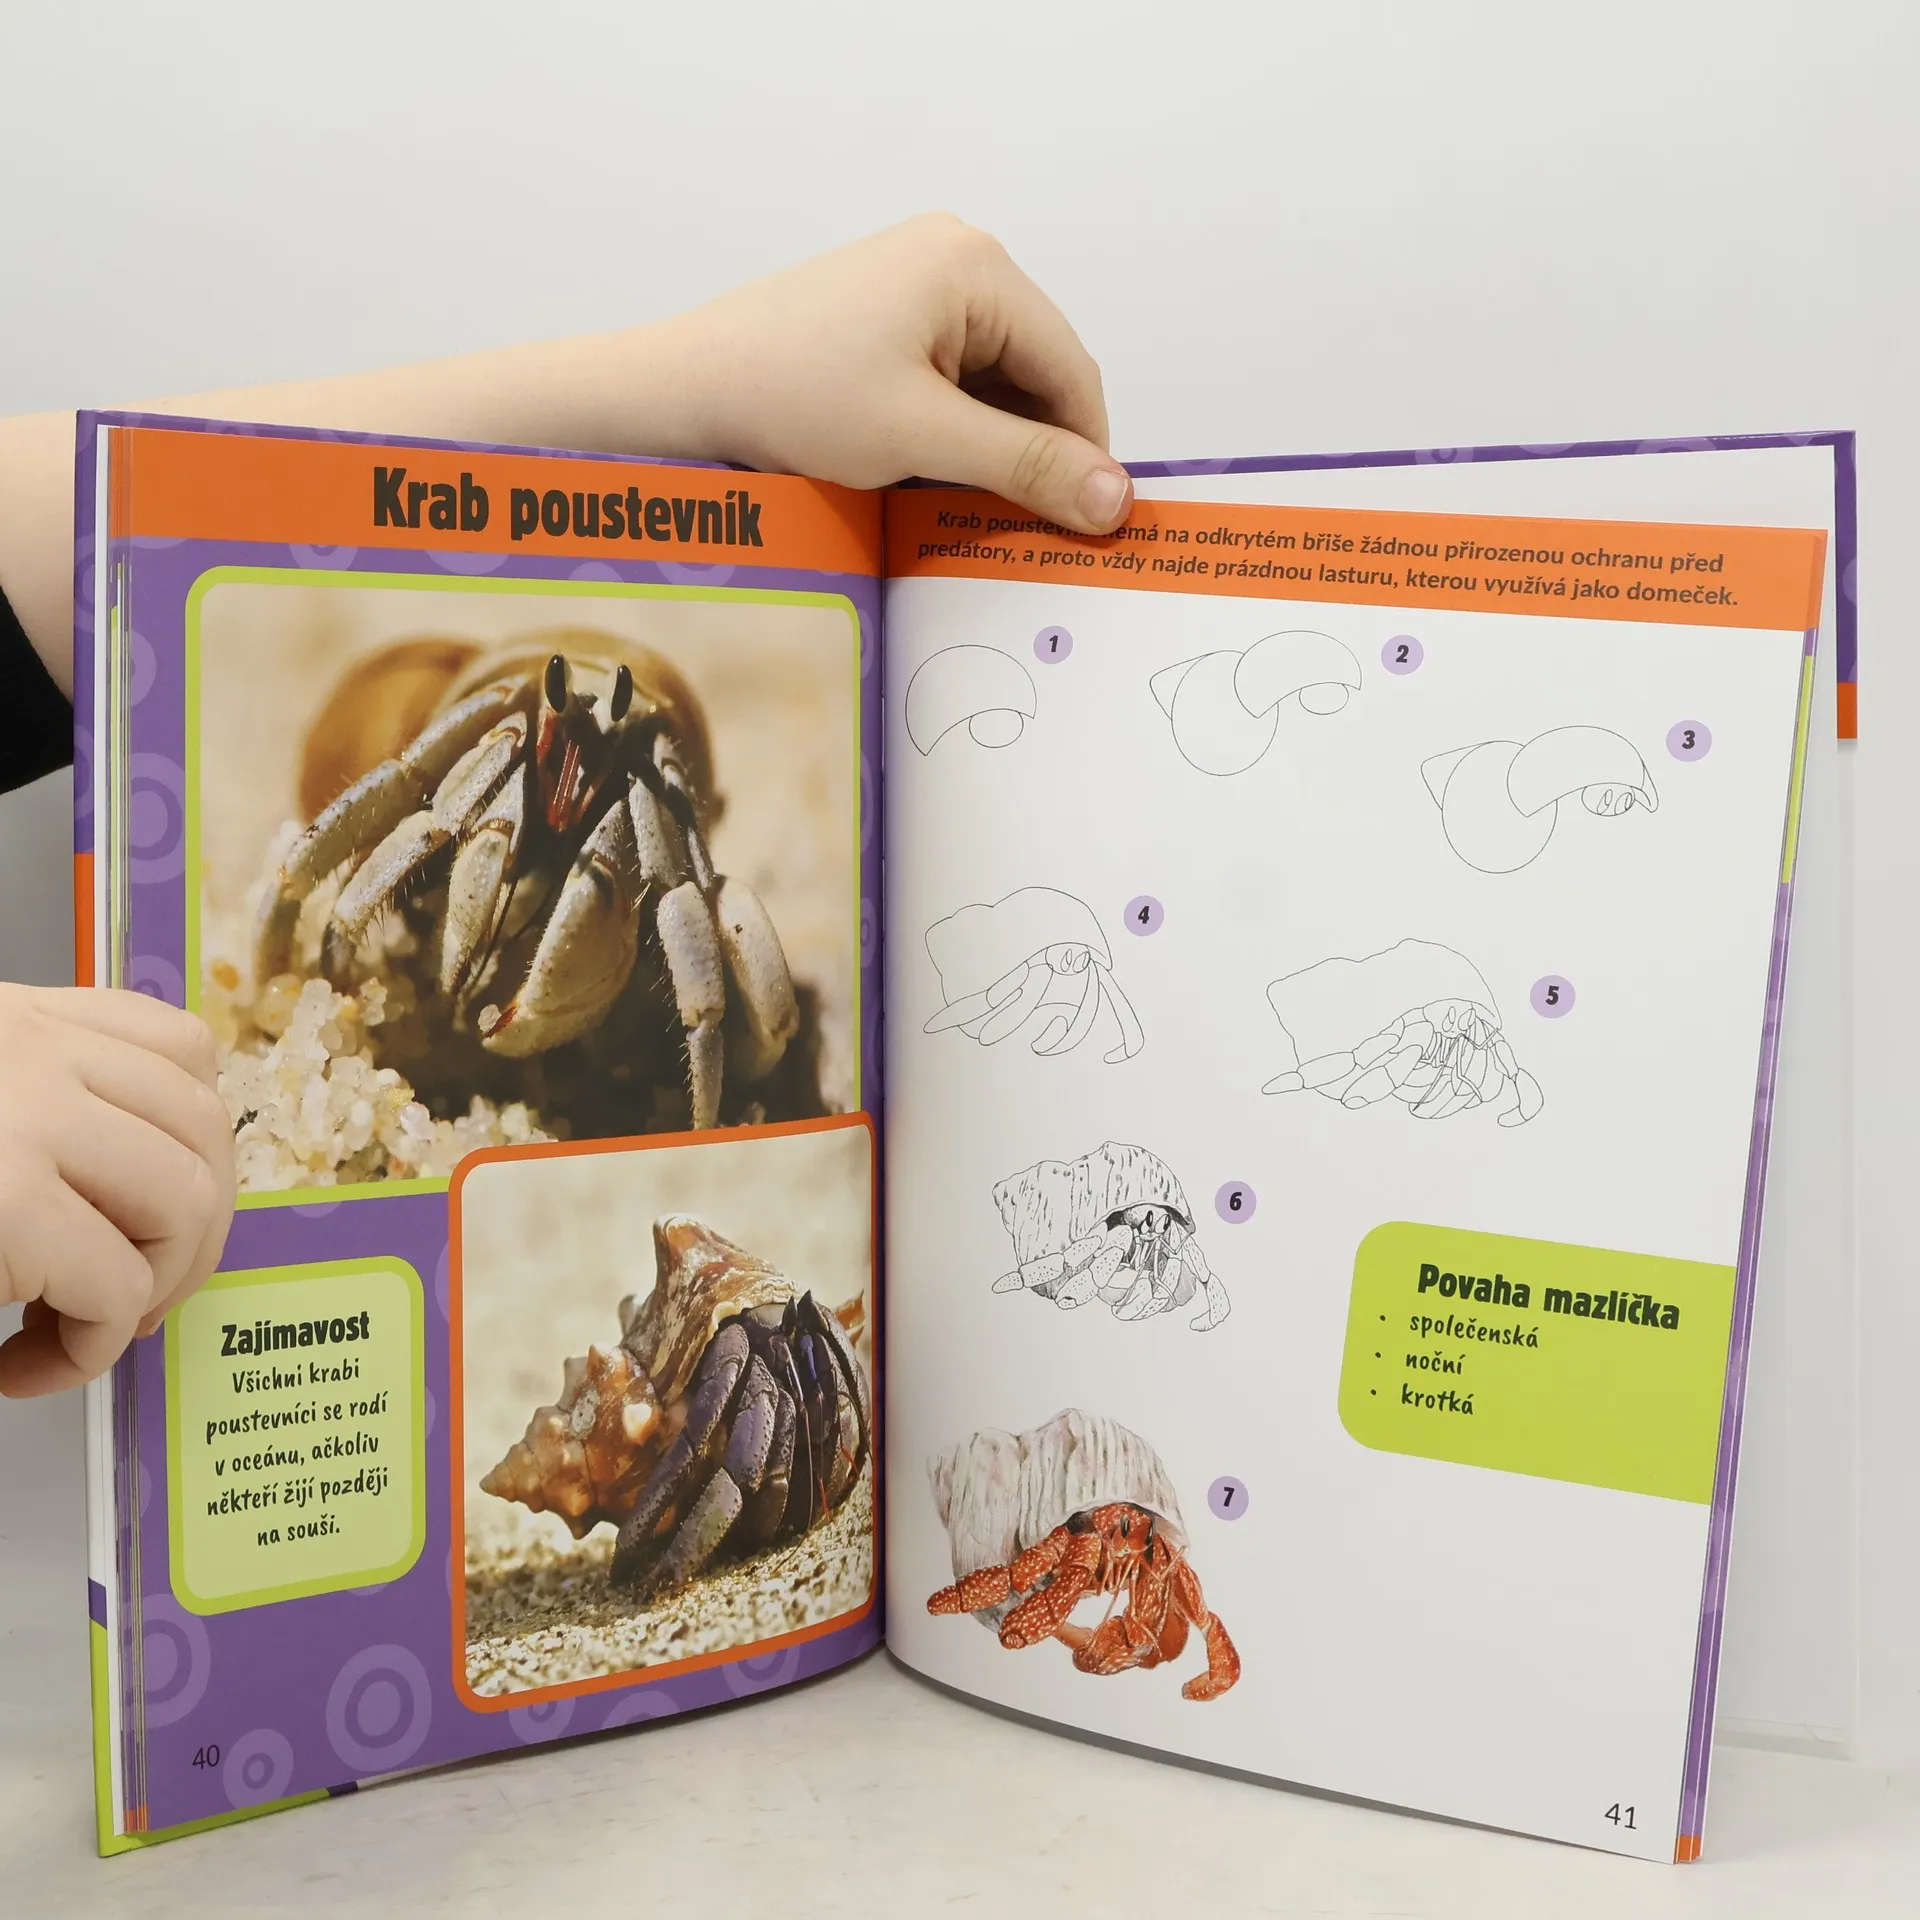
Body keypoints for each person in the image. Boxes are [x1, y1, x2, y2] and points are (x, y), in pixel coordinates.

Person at [0, 212, 1130, 1399]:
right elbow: (421, 797)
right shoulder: (492, 742)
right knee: (453, 810)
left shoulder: (633, 779)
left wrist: (702, 386)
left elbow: (89, 539)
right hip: (468, 774)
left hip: (601, 848)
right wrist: (303, 915)